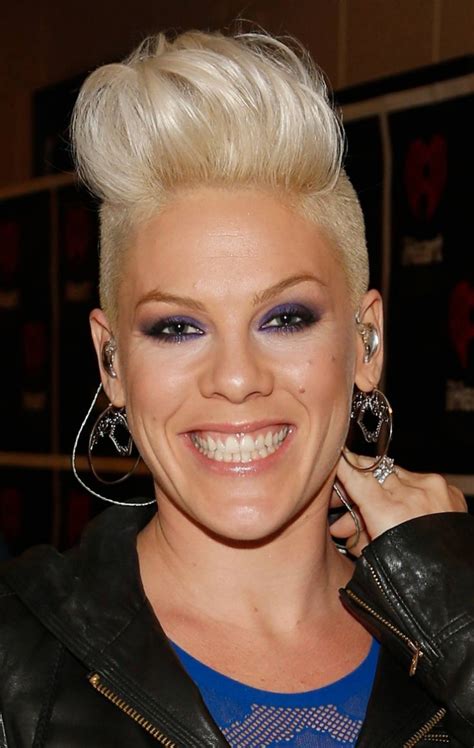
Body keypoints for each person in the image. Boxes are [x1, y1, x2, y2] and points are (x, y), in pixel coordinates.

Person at [0, 29, 472, 748]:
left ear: (366, 343)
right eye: (177, 328)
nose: (236, 379)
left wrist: (456, 612)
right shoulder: (15, 659)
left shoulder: (455, 628)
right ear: (112, 362)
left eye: (285, 319)